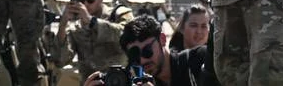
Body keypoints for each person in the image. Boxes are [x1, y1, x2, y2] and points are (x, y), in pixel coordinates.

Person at [81, 15, 215, 86]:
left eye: (147, 50)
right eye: (135, 55)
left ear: (162, 39)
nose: (143, 60)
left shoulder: (199, 60)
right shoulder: (144, 82)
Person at [56, 0, 133, 80]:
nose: (86, 4)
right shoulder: (76, 26)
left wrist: (92, 21)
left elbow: (127, 35)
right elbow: (62, 60)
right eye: (82, 0)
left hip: (118, 80)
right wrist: (63, 24)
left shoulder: (119, 14)